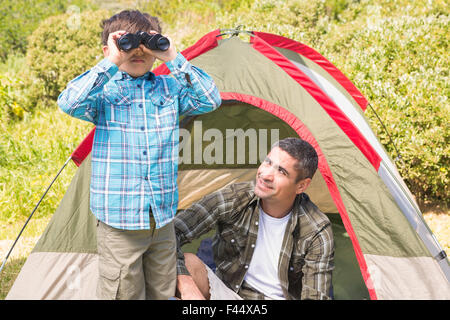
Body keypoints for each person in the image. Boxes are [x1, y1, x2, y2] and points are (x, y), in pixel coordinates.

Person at [57, 10, 221, 299]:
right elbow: (69, 102)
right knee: (123, 292)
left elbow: (210, 99)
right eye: (127, 44)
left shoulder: (170, 89)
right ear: (108, 50)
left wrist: (171, 56)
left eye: (147, 43)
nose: (137, 51)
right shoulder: (104, 93)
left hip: (162, 218)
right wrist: (112, 62)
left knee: (162, 290)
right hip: (119, 222)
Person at [174, 138, 334, 300]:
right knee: (187, 263)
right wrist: (187, 288)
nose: (266, 175)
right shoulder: (235, 198)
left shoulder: (317, 229)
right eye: (267, 162)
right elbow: (170, 234)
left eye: (281, 171)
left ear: (301, 185)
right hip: (229, 296)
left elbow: (316, 296)